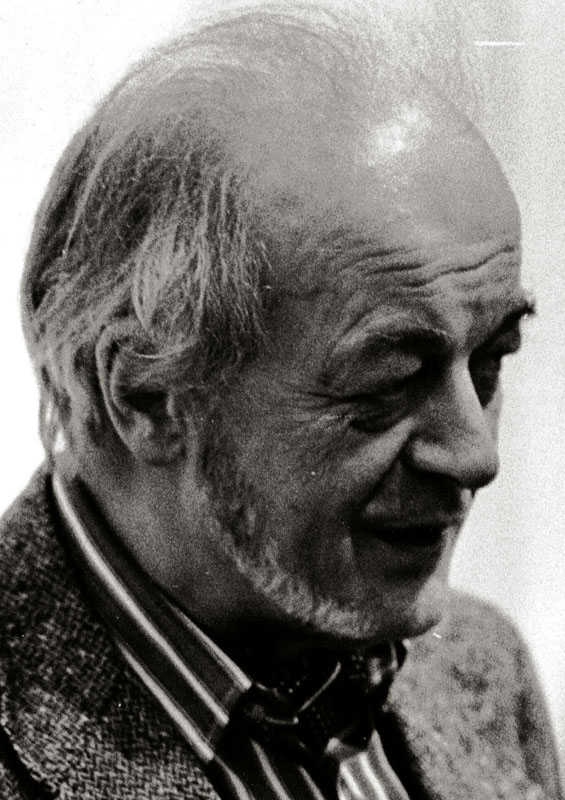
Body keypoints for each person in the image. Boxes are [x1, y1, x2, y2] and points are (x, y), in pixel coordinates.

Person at [0, 2, 561, 799]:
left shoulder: (478, 667)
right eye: (389, 380)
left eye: (490, 361)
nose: (476, 455)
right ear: (148, 394)